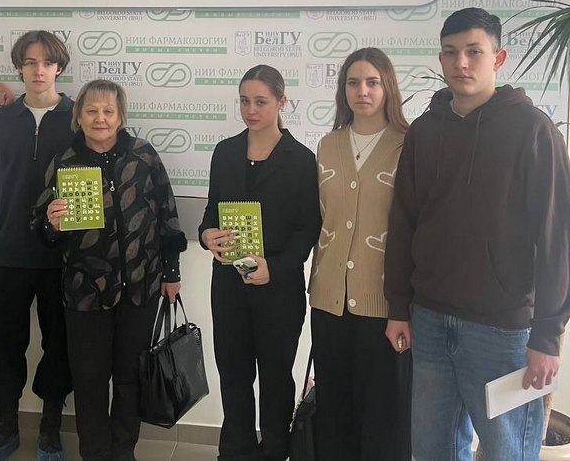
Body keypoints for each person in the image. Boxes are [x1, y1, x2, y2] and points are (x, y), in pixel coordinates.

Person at [384, 7, 570, 461]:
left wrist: (547, 336)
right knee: (432, 449)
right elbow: (404, 222)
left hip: (502, 330)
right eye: (451, 52)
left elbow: (557, 239)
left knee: (505, 452)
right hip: (431, 322)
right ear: (440, 59)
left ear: (498, 58)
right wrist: (398, 306)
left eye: (474, 52)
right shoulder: (424, 132)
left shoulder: (533, 131)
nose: (461, 63)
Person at [34, 79, 186, 461]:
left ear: (120, 117)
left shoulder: (143, 156)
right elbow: (41, 226)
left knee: (130, 377)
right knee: (89, 382)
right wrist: (51, 222)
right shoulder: (65, 161)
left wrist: (171, 272)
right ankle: (95, 453)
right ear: (78, 116)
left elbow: (167, 214)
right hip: (84, 291)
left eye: (108, 111)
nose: (99, 118)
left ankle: (123, 451)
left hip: (140, 287)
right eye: (91, 110)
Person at [199, 65, 321, 461]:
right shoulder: (225, 153)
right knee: (233, 376)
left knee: (275, 378)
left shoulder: (301, 160)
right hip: (228, 286)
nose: (251, 110)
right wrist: (207, 236)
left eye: (261, 102)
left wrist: (276, 267)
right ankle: (234, 451)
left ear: (282, 102)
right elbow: (210, 213)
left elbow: (308, 229)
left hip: (279, 290)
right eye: (245, 101)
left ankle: (273, 451)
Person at [309, 48, 411, 460]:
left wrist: (404, 306)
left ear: (388, 88)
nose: (362, 91)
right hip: (328, 300)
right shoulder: (328, 145)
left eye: (372, 82)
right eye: (353, 82)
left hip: (384, 305)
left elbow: (414, 228)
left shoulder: (407, 145)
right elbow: (321, 218)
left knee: (384, 416)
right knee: (334, 410)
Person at [0, 31, 74, 461]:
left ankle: (50, 428)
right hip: (6, 251)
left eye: (47, 62)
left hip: (62, 256)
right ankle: (4, 427)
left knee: (60, 344)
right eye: (30, 62)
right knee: (2, 344)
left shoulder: (79, 118)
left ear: (59, 67)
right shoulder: (0, 121)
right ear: (19, 67)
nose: (39, 70)